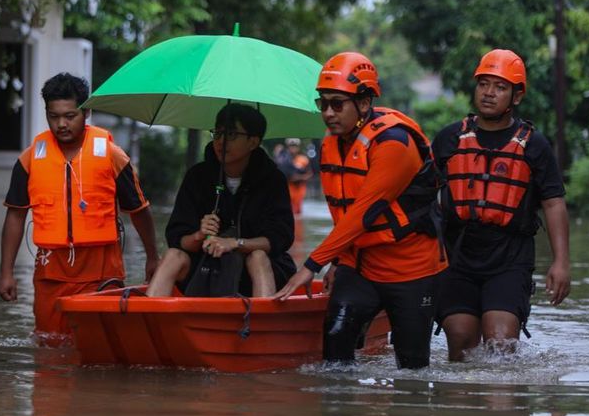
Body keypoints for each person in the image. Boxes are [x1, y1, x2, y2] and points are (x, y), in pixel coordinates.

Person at [273, 52, 447, 369]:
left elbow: (363, 213)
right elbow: (340, 213)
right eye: (322, 103)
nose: (328, 113)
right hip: (361, 265)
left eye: (337, 104)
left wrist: (312, 264)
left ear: (364, 104)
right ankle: (341, 414)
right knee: (336, 337)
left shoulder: (394, 142)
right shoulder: (330, 144)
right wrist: (339, 260)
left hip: (411, 268)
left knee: (412, 365)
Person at [0, 73, 159, 346]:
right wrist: (6, 272)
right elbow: (15, 215)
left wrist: (153, 257)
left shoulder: (112, 155)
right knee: (50, 346)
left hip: (101, 269)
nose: (61, 124)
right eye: (53, 116)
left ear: (87, 112)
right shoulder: (29, 160)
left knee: (101, 346)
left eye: (70, 116)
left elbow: (139, 210)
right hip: (51, 271)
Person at [432, 49, 570, 361]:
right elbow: (421, 195)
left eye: (500, 87)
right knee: (460, 338)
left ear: (516, 97)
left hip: (509, 256)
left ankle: (502, 407)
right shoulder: (449, 139)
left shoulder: (534, 144)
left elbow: (553, 202)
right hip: (458, 254)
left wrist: (561, 262)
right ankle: (461, 408)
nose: (489, 93)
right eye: (483, 84)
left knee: (500, 341)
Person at [146, 104, 296, 298]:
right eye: (217, 133)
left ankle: (261, 325)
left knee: (258, 257)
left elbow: (278, 239)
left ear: (253, 141)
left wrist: (235, 243)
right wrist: (199, 235)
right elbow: (178, 238)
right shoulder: (197, 176)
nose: (221, 141)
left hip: (255, 272)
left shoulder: (272, 180)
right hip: (205, 267)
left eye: (231, 135)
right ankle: (150, 321)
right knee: (172, 256)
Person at [276, 138, 314, 215]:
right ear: (288, 147)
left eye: (295, 146)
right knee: (288, 209)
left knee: (298, 210)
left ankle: (298, 226)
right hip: (288, 186)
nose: (293, 148)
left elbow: (310, 173)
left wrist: (301, 177)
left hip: (300, 187)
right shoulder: (283, 159)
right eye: (291, 146)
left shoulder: (303, 159)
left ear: (298, 147)